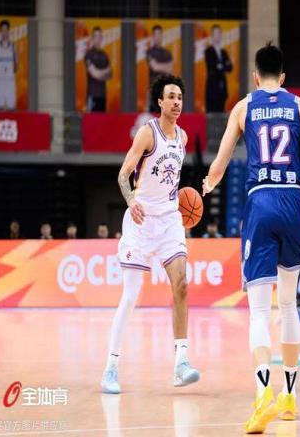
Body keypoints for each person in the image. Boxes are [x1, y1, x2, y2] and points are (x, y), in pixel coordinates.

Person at [202, 43, 300, 433]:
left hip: (259, 201)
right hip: (294, 201)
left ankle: (263, 396)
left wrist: (207, 184)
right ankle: (290, 397)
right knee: (289, 306)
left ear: (255, 77)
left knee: (260, 312)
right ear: (284, 76)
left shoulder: (243, 108)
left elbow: (221, 161)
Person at [101, 74, 199, 394]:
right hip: (141, 220)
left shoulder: (183, 137)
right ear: (160, 101)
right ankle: (111, 368)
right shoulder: (148, 133)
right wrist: (131, 202)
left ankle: (181, 363)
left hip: (169, 220)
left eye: (180, 98)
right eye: (171, 97)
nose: (176, 102)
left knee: (181, 285)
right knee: (131, 297)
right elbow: (123, 174)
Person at [204, 24, 233, 112]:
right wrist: (223, 65)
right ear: (212, 36)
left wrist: (220, 66)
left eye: (219, 33)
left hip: (222, 88)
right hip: (212, 89)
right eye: (216, 34)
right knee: (212, 113)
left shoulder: (224, 52)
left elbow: (230, 67)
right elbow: (212, 67)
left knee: (221, 112)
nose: (218, 36)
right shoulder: (208, 51)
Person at [146, 25, 173, 112]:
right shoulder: (150, 52)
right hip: (153, 91)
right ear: (153, 37)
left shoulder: (167, 53)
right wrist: (165, 67)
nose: (158, 37)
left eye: (159, 35)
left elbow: (170, 70)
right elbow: (154, 67)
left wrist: (159, 65)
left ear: (162, 36)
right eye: (156, 35)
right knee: (152, 118)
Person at [84, 26, 112, 112]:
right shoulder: (89, 54)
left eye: (100, 36)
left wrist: (100, 73)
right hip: (92, 94)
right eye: (96, 36)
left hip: (102, 95)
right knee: (91, 119)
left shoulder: (104, 55)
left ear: (102, 38)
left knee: (102, 119)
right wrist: (104, 72)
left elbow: (110, 74)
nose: (98, 39)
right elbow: (94, 74)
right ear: (92, 38)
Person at [0, 20, 17, 110]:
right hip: (0, 80)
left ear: (9, 31)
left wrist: (11, 73)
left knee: (11, 107)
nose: (4, 32)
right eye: (2, 30)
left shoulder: (13, 46)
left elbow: (16, 64)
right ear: (0, 32)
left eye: (6, 30)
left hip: (10, 80)